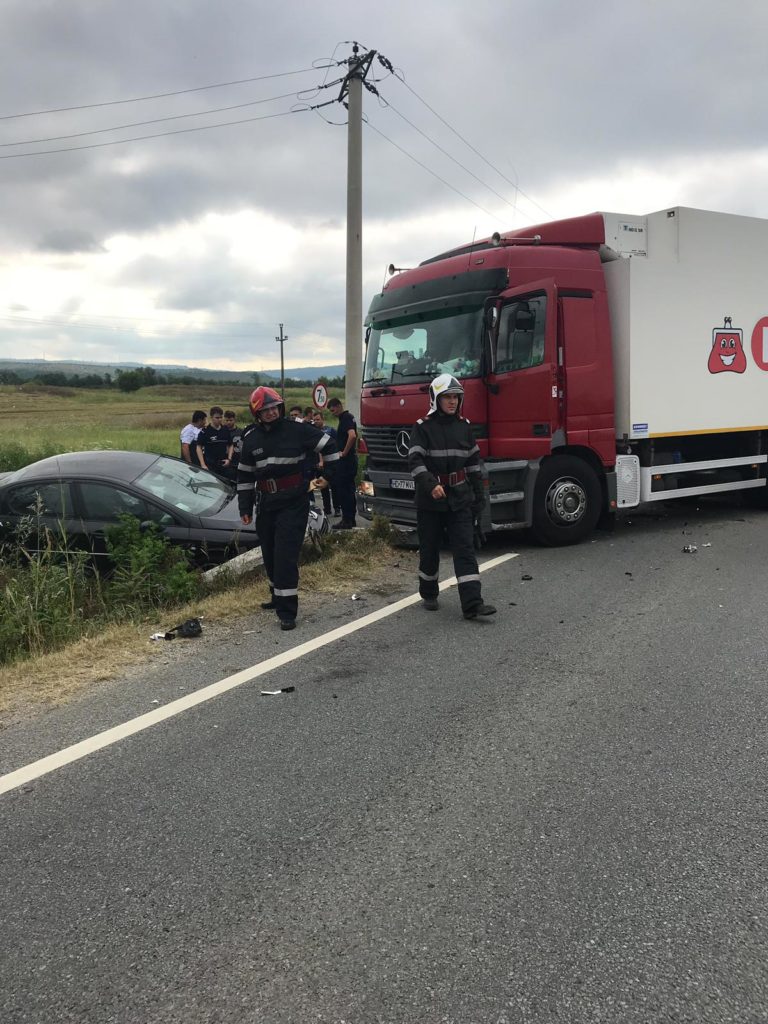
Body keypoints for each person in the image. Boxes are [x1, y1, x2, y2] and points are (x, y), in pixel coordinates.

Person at [238, 386, 339, 631]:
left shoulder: (297, 430)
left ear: (280, 407)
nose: (271, 413)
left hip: (294, 501)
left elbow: (330, 445)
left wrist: (328, 476)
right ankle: (276, 595)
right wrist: (245, 506)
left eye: (274, 408)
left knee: (285, 554)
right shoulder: (250, 438)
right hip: (266, 501)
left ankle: (287, 611)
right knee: (270, 551)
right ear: (257, 414)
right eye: (265, 410)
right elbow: (244, 475)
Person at [407, 374, 496, 621]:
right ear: (436, 398)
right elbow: (415, 462)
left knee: (465, 549)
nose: (453, 401)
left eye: (456, 397)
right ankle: (428, 592)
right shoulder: (422, 427)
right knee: (430, 549)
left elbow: (473, 465)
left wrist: (479, 497)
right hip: (431, 501)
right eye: (447, 396)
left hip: (459, 498)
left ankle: (472, 604)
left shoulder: (464, 426)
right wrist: (430, 484)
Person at [327, 396, 358, 529]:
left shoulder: (345, 418)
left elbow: (352, 435)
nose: (332, 413)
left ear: (339, 406)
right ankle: (350, 518)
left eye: (333, 410)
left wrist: (344, 452)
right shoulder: (348, 417)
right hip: (350, 460)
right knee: (349, 489)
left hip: (346, 461)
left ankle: (346, 519)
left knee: (344, 490)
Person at [197, 406, 233, 479]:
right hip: (210, 465)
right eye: (217, 418)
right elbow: (198, 447)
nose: (219, 420)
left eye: (220, 417)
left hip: (223, 464)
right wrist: (203, 464)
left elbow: (231, 445)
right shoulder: (205, 431)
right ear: (211, 418)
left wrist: (229, 459)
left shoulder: (225, 430)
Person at [312, 410, 336, 516]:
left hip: (330, 464)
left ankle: (337, 508)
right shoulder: (313, 432)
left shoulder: (330, 430)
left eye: (318, 419)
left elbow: (336, 446)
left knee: (334, 487)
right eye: (314, 420)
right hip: (318, 464)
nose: (316, 422)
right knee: (323, 487)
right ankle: (327, 509)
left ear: (323, 419)